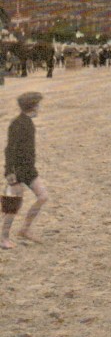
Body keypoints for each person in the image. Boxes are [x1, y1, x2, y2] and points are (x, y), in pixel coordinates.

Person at [3, 92, 49, 249]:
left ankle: (24, 229)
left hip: (29, 170)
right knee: (12, 206)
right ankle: (3, 239)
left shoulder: (28, 122)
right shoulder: (17, 124)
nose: (39, 108)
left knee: (43, 196)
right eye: (38, 105)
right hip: (16, 172)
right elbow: (9, 150)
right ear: (32, 106)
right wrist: (10, 174)